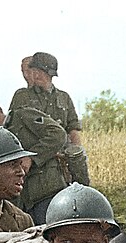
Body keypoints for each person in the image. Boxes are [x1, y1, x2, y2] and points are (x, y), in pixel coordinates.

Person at [8, 52, 91, 186]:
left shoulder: (64, 98)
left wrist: (75, 157)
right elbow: (13, 131)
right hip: (34, 167)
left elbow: (73, 130)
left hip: (61, 165)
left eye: (41, 71)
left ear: (51, 74)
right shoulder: (22, 96)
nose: (36, 75)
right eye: (34, 71)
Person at [3, 103, 68, 225]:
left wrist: (32, 157)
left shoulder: (21, 115)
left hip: (47, 194)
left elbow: (58, 134)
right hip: (25, 202)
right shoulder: (3, 134)